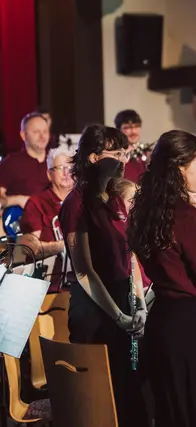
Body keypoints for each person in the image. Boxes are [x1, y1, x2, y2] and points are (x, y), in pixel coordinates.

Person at [127, 130, 196, 427]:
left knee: (171, 412)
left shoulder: (142, 212)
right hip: (191, 326)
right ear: (179, 168)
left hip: (161, 321)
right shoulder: (187, 217)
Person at [59, 124, 148, 427]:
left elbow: (130, 254)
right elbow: (84, 270)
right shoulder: (76, 203)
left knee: (128, 397)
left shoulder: (115, 199)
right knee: (100, 403)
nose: (124, 160)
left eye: (125, 153)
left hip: (121, 299)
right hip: (94, 309)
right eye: (116, 153)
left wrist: (139, 303)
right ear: (94, 157)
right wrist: (118, 316)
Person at [18, 146, 75, 291]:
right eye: (60, 167)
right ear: (49, 174)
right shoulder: (36, 203)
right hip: (48, 286)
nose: (66, 172)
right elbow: (30, 248)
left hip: (80, 283)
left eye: (70, 167)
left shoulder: (83, 201)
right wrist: (63, 246)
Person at [0, 112, 51, 209]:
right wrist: (18, 200)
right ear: (23, 135)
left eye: (45, 131)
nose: (42, 136)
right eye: (36, 132)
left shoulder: (57, 161)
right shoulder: (11, 163)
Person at [115, 109, 147, 182]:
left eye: (136, 126)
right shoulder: (115, 156)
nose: (133, 131)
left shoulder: (145, 154)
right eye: (127, 127)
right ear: (119, 130)